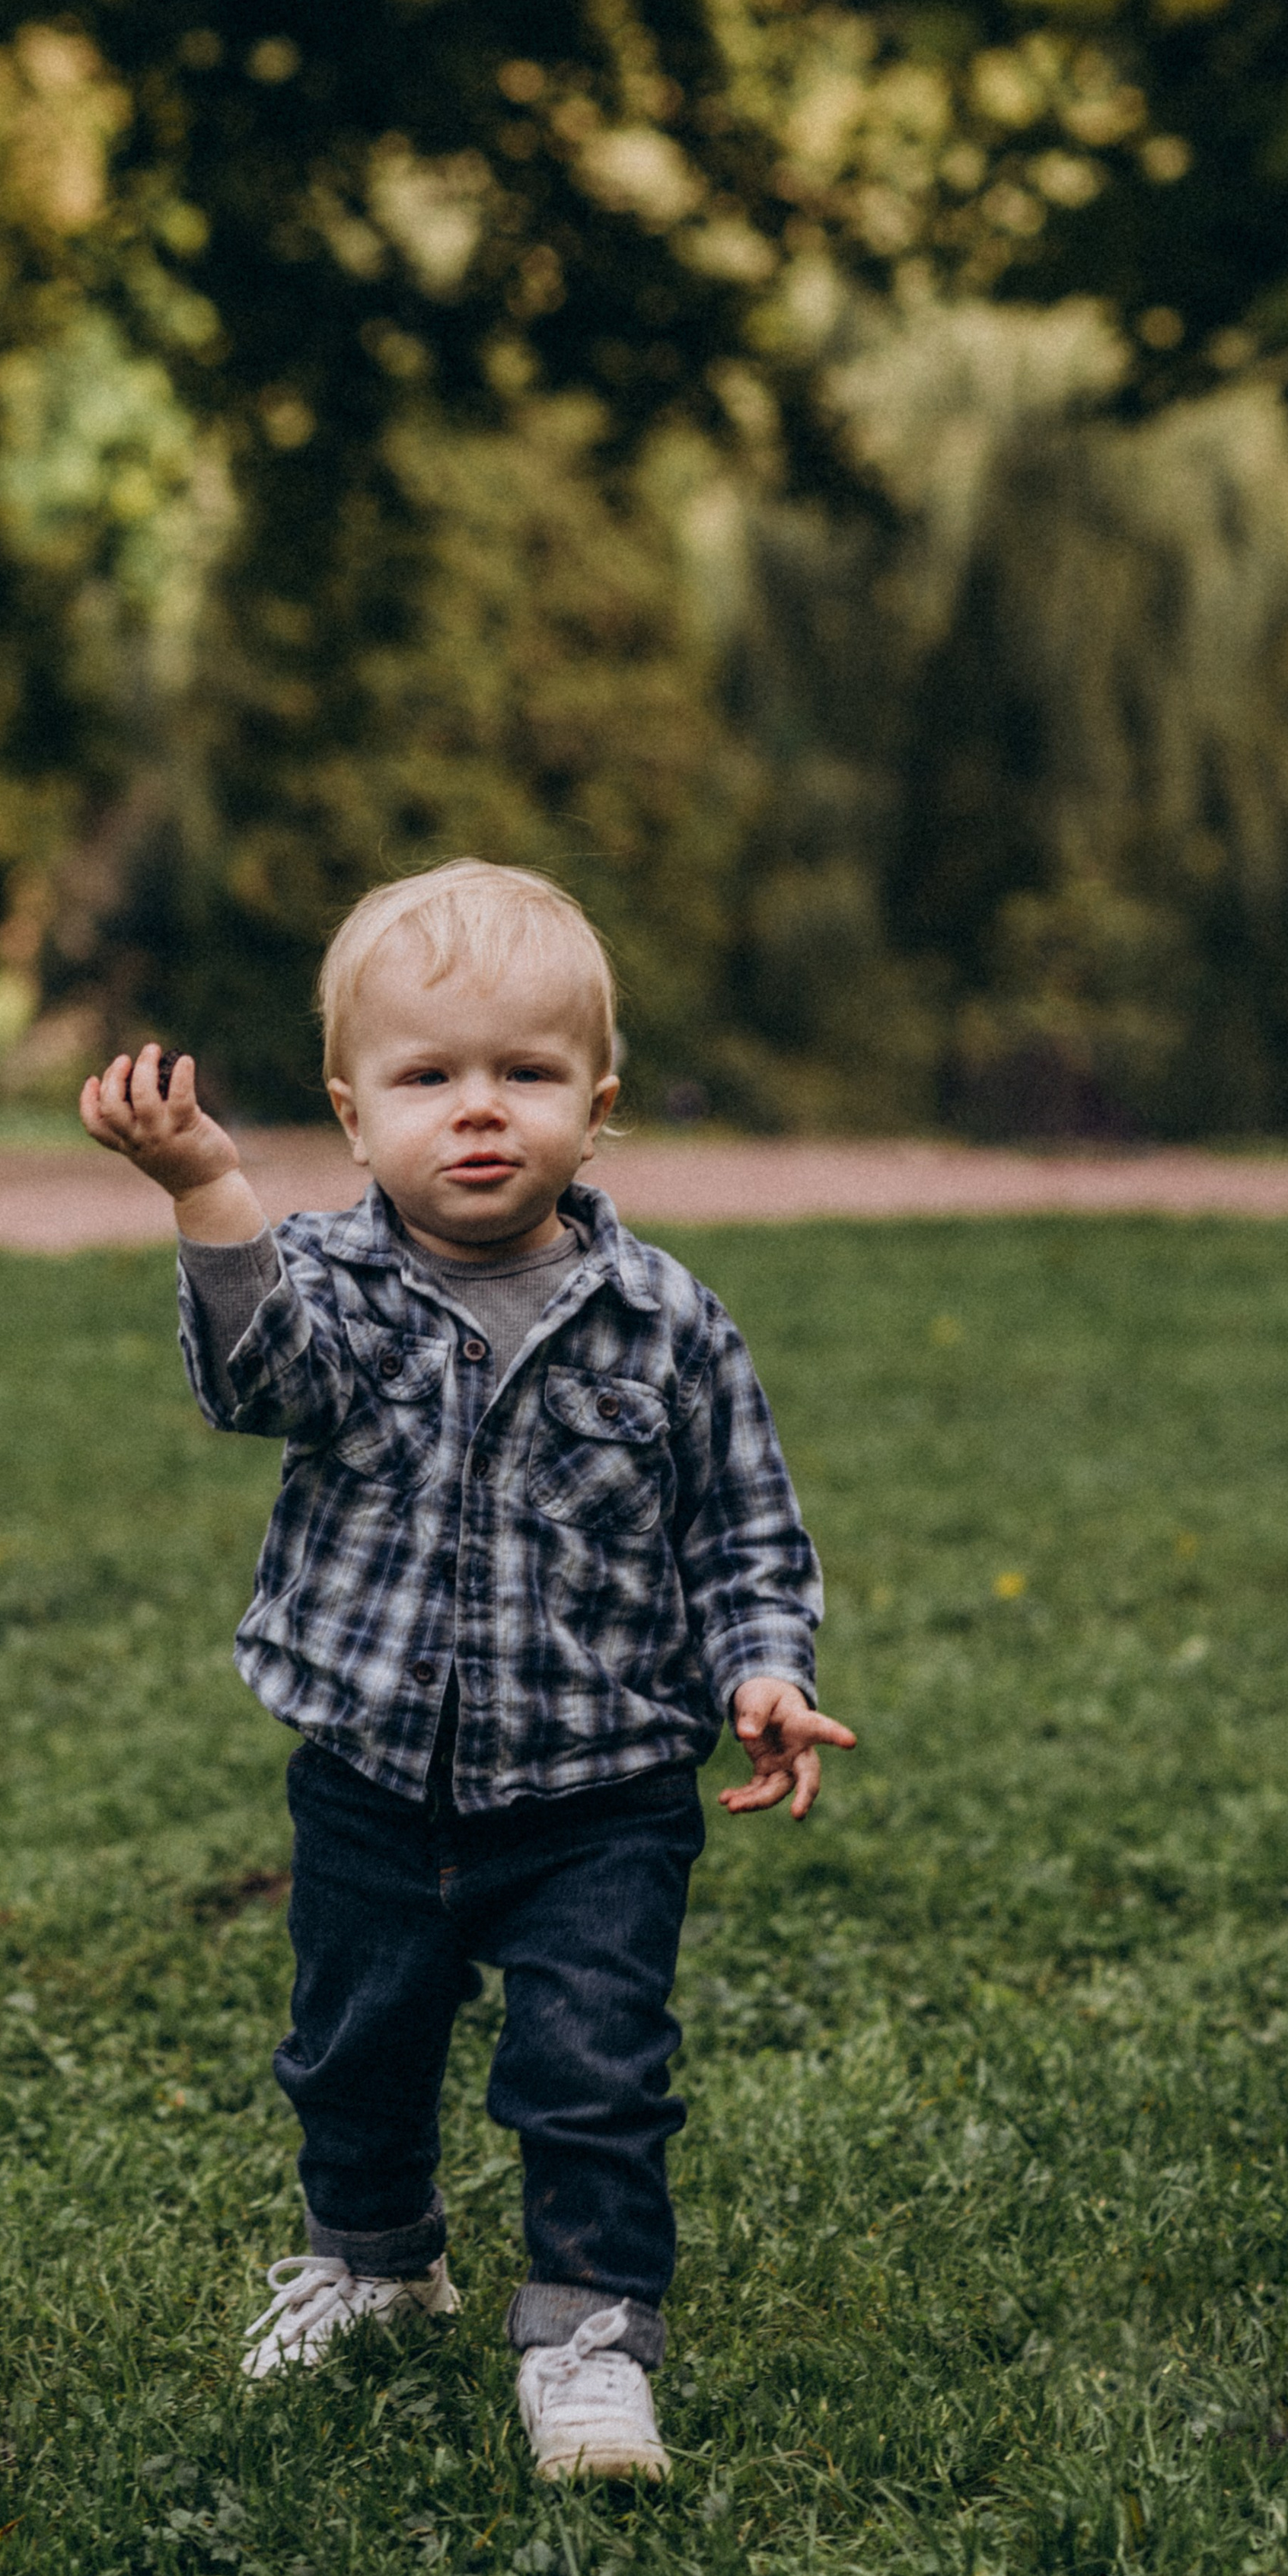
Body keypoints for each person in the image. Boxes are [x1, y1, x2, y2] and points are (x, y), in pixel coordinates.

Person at [78, 859, 853, 2481]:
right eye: (428, 1077)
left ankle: (589, 2340)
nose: (479, 1109)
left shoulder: (665, 1320)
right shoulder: (330, 1284)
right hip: (371, 1780)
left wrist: (765, 1671)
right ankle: (374, 2260)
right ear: (354, 1117)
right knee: (351, 2050)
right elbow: (257, 1383)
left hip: (600, 1795)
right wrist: (205, 1186)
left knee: (595, 2074)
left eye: (527, 1073)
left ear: (598, 1108)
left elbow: (742, 1529)